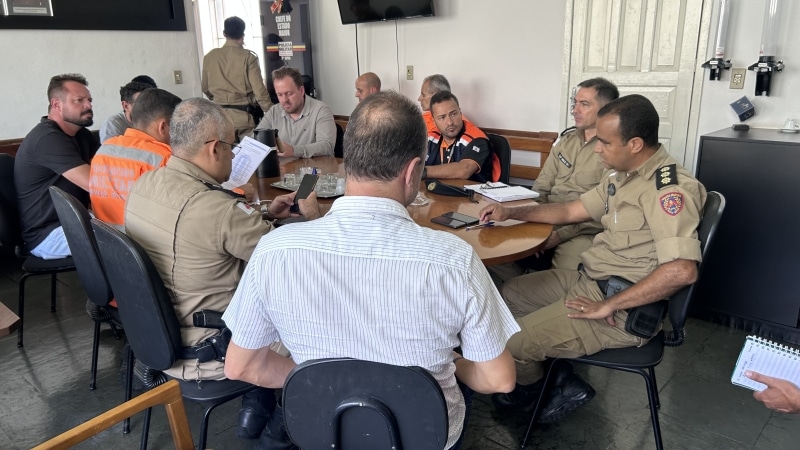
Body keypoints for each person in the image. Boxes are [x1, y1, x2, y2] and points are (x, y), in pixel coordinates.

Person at [223, 91, 519, 450]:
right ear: (413, 171)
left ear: (349, 162)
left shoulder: (273, 250)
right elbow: (499, 379)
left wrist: (326, 383)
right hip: (422, 435)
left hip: (324, 429)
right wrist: (452, 361)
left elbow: (240, 367)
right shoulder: (454, 259)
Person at [479, 94, 706, 422]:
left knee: (511, 343)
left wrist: (610, 305)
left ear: (635, 144)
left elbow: (682, 271)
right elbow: (572, 210)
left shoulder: (668, 190)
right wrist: (512, 212)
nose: (596, 148)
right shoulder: (620, 175)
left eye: (604, 142)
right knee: (508, 295)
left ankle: (532, 394)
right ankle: (557, 376)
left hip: (622, 308)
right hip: (590, 281)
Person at [124, 98, 320, 441]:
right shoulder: (216, 209)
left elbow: (209, 237)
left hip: (160, 335)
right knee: (323, 322)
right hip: (209, 349)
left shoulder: (144, 185)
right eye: (232, 146)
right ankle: (284, 429)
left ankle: (257, 403)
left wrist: (267, 216)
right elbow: (299, 261)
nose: (234, 154)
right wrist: (313, 216)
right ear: (214, 149)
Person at [500, 78, 620, 278]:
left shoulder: (612, 149)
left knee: (566, 273)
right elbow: (541, 188)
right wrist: (534, 222)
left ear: (606, 109)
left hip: (583, 229)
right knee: (497, 243)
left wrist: (559, 234)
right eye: (575, 103)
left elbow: (604, 209)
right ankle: (518, 292)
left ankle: (538, 298)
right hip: (547, 216)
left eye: (584, 104)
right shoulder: (565, 141)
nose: (575, 110)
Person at [14, 73, 98, 259]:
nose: (88, 105)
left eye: (89, 100)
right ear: (57, 104)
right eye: (79, 100)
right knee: (128, 236)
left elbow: (106, 169)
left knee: (135, 228)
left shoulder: (81, 134)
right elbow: (96, 184)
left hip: (75, 220)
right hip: (47, 235)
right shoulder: (47, 139)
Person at [89, 88, 181, 228]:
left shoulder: (104, 150)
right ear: (163, 126)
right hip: (144, 244)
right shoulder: (164, 158)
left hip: (106, 239)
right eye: (177, 128)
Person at [202, 16, 273, 142]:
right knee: (251, 157)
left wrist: (220, 99)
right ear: (243, 33)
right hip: (244, 119)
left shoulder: (209, 57)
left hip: (220, 119)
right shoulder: (248, 58)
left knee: (225, 159)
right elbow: (260, 92)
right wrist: (273, 113)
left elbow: (205, 88)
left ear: (224, 33)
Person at [255, 66, 335, 158]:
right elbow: (257, 139)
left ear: (301, 91)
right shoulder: (274, 111)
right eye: (280, 95)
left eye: (289, 93)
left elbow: (327, 146)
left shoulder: (321, 110)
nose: (284, 100)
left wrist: (294, 151)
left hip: (313, 170)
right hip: (284, 169)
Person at [423, 90, 499, 183]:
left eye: (453, 114)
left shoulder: (477, 139)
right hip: (439, 194)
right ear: (434, 121)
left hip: (474, 196)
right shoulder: (431, 137)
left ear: (460, 112)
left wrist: (423, 172)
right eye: (442, 117)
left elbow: (464, 169)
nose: (450, 122)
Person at [99, 76, 157, 143]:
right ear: (126, 106)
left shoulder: (154, 120)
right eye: (141, 104)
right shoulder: (112, 124)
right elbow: (112, 152)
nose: (147, 108)